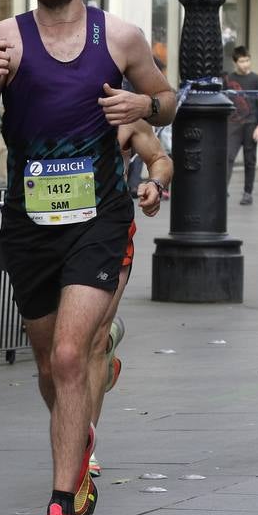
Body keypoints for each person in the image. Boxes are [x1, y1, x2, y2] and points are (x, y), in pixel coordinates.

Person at [0, 0, 175, 515]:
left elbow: (167, 99)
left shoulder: (120, 38)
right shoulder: (4, 39)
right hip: (27, 225)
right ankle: (78, 449)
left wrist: (141, 107)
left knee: (74, 354)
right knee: (52, 365)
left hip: (98, 221)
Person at [86, 121, 172, 477]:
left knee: (89, 342)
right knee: (57, 350)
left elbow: (160, 158)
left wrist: (154, 183)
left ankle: (83, 445)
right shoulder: (40, 100)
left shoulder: (124, 115)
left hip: (107, 232)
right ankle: (108, 349)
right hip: (48, 234)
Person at [224, 45, 258, 206]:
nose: (246, 64)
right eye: (242, 61)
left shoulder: (256, 79)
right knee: (228, 157)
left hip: (251, 123)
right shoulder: (229, 79)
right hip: (233, 124)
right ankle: (222, 189)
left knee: (250, 160)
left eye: (247, 60)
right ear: (235, 62)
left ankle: (248, 192)